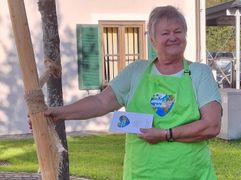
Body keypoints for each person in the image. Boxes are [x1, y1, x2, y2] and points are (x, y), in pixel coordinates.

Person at [44, 5, 222, 179]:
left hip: (190, 173)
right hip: (140, 173)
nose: (173, 37)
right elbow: (101, 102)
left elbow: (212, 125)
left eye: (178, 31)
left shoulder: (199, 72)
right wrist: (59, 113)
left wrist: (165, 134)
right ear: (152, 40)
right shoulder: (136, 71)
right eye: (165, 33)